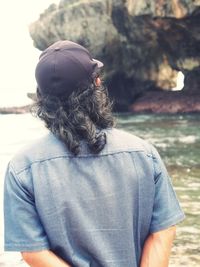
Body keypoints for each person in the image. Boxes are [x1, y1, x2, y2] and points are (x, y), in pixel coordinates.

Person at [4, 40, 185, 267]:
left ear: (41, 97)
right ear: (97, 84)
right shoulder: (144, 153)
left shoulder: (22, 167)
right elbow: (162, 233)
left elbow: (33, 252)